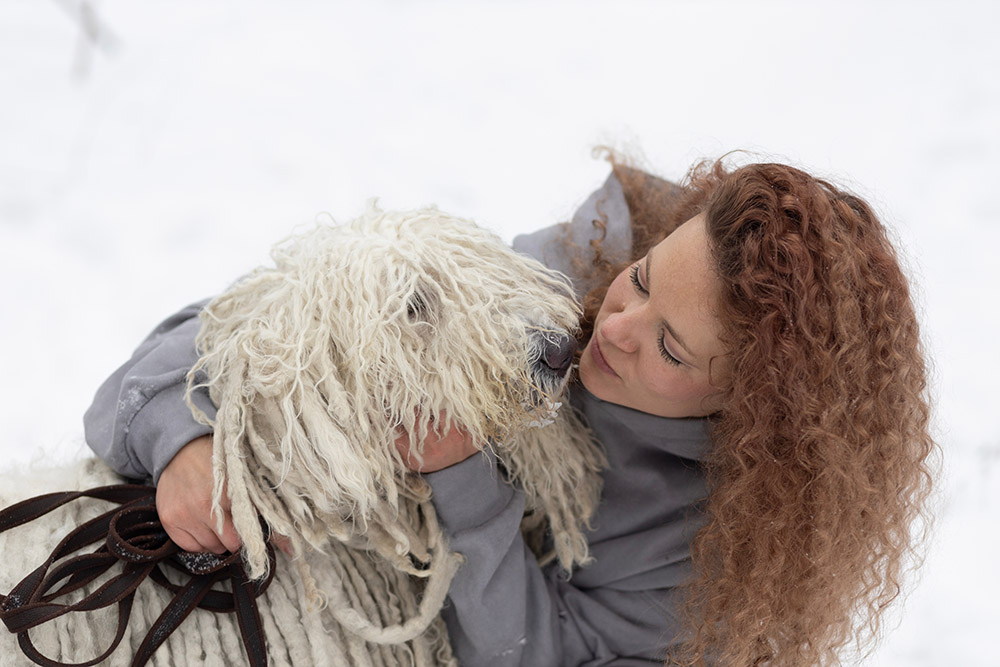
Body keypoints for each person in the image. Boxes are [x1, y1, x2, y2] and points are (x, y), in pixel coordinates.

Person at [84, 155, 937, 666]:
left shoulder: (713, 563)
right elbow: (260, 329)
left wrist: (464, 479)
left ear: (751, 414)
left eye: (671, 348)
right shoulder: (567, 279)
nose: (612, 328)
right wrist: (185, 438)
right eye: (641, 281)